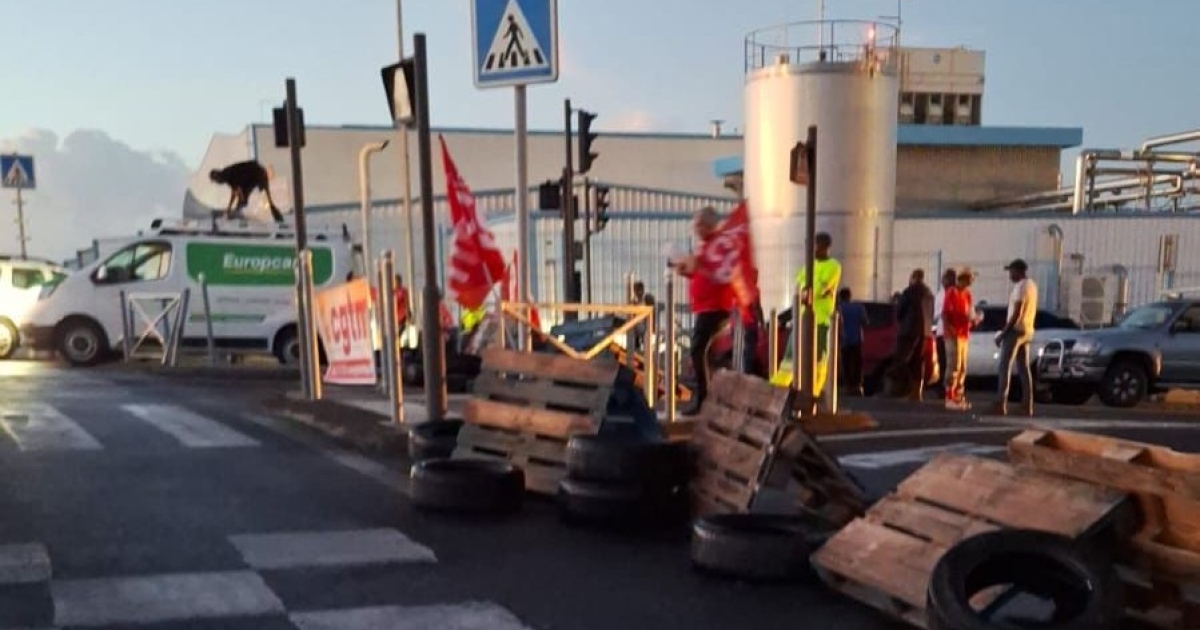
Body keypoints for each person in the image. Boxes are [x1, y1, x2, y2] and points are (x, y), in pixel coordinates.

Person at [672, 207, 734, 415]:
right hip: (706, 306)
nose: (695, 229)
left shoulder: (718, 245)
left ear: (708, 225)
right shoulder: (705, 246)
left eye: (698, 224)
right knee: (703, 352)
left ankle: (705, 400)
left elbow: (720, 274)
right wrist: (688, 272)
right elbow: (703, 274)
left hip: (714, 307)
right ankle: (709, 397)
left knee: (698, 351)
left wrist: (698, 268)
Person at [770, 232, 841, 397]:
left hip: (820, 321)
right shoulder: (806, 268)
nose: (810, 250)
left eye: (813, 246)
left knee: (817, 361)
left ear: (824, 247)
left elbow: (815, 291)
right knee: (789, 360)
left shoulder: (833, 266)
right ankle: (774, 393)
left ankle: (813, 396)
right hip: (801, 319)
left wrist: (811, 290)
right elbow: (801, 291)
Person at [995, 259, 1038, 416]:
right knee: (1023, 368)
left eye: (1011, 271)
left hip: (1016, 330)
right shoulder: (1032, 285)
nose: (1010, 274)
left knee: (1004, 366)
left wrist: (1003, 334)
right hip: (1027, 330)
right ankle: (1027, 404)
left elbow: (1017, 313)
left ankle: (1000, 403)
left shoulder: (1021, 287)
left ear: (1018, 271)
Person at [890, 269, 934, 400]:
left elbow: (900, 311)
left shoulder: (909, 292)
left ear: (914, 277)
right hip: (925, 332)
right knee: (918, 362)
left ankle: (903, 388)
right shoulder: (929, 293)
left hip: (909, 331)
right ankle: (917, 392)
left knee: (901, 360)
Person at [942, 268, 978, 410]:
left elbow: (970, 314)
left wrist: (973, 321)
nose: (969, 283)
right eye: (968, 280)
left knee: (962, 366)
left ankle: (958, 394)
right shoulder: (952, 292)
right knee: (953, 365)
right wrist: (951, 331)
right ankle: (949, 396)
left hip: (964, 334)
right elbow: (945, 315)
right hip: (953, 335)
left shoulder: (967, 295)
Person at [837, 287, 868, 396]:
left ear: (840, 297)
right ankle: (857, 385)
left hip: (845, 340)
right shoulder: (859, 307)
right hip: (857, 339)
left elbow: (836, 323)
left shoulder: (840, 308)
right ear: (850, 296)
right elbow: (865, 322)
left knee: (846, 364)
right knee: (857, 364)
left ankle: (847, 387)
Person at [933, 268, 957, 398]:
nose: (946, 281)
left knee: (952, 363)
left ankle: (950, 389)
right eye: (945, 278)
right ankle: (942, 389)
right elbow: (937, 314)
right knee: (943, 362)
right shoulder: (940, 295)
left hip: (954, 334)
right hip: (943, 333)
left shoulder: (958, 294)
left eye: (949, 278)